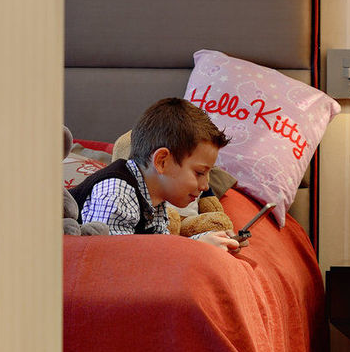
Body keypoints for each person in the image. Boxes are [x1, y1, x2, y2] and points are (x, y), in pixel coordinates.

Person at [70, 97, 240, 248]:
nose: (204, 186)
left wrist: (206, 241)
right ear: (162, 161)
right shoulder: (116, 192)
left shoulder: (154, 197)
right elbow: (116, 259)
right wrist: (193, 249)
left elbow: (159, 244)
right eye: (199, 173)